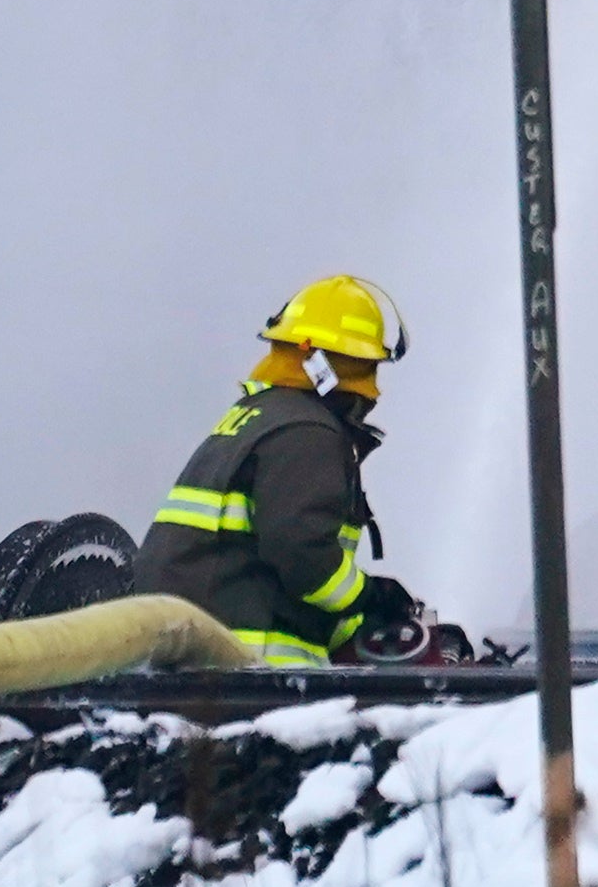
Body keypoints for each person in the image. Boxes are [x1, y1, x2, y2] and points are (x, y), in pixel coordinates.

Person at [128, 272, 426, 665]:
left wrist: (357, 622)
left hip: (193, 657)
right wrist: (369, 597)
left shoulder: (256, 418)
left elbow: (258, 563)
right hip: (250, 670)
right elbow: (299, 553)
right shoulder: (307, 432)